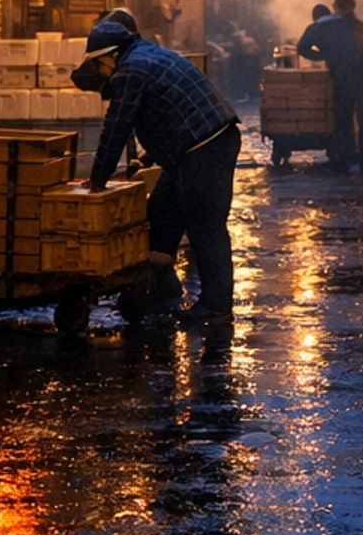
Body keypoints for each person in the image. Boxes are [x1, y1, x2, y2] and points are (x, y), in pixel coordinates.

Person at [78, 16, 241, 326]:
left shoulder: (130, 70)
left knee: (204, 225)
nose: (101, 74)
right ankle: (162, 289)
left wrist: (98, 179)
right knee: (162, 211)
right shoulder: (148, 54)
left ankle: (216, 305)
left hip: (205, 148)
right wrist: (149, 155)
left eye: (99, 65)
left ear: (110, 55)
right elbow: (172, 109)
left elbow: (116, 126)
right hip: (200, 144)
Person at [297, 0, 363, 171]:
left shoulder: (320, 27)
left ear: (334, 7)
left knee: (343, 117)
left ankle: (346, 158)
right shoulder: (361, 26)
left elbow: (302, 48)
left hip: (343, 76)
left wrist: (323, 55)